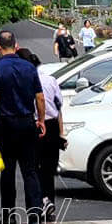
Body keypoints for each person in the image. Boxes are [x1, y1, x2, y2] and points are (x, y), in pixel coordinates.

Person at [0, 30, 47, 224]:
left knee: (7, 171)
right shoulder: (29, 67)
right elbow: (40, 97)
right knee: (30, 171)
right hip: (27, 122)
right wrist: (41, 119)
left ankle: (9, 215)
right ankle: (35, 216)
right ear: (15, 45)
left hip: (6, 124)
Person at [23, 49, 64, 215]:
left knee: (33, 167)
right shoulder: (51, 80)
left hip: (34, 124)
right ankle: (49, 201)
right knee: (48, 168)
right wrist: (62, 133)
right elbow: (59, 106)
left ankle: (39, 203)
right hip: (52, 126)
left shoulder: (25, 81)